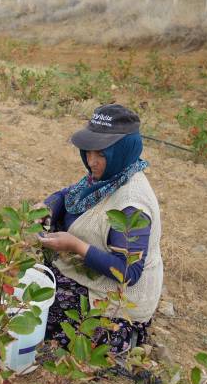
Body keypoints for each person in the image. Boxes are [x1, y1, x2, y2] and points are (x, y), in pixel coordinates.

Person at [35, 104, 163, 354]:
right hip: (85, 274)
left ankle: (124, 338)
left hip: (117, 300)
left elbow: (128, 270)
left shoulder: (132, 205)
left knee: (39, 312)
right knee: (28, 288)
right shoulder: (106, 178)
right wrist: (47, 207)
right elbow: (68, 195)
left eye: (101, 154)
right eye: (88, 152)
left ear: (122, 151)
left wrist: (75, 246)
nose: (91, 161)